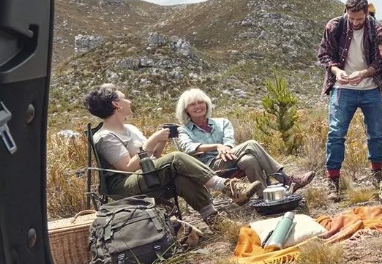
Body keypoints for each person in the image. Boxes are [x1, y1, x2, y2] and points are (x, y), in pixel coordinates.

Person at [84, 84, 262, 225]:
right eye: (124, 98)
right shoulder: (105, 137)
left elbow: (153, 158)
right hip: (124, 185)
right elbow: (128, 167)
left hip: (146, 175)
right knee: (176, 157)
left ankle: (213, 219)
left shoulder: (131, 129)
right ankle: (227, 187)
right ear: (116, 105)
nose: (129, 101)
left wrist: (161, 141)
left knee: (181, 177)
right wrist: (152, 140)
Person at [174, 88, 315, 192]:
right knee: (251, 144)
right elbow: (188, 148)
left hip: (230, 158)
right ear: (186, 110)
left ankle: (264, 196)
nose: (198, 106)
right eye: (192, 104)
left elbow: (229, 141)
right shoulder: (183, 130)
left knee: (249, 159)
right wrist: (216, 146)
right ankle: (286, 179)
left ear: (206, 104)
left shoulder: (222, 122)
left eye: (200, 102)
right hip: (209, 168)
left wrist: (225, 148)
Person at [317, 0, 382, 193]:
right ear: (345, 12)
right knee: (336, 134)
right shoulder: (334, 26)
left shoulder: (377, 29)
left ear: (367, 14)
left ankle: (377, 174)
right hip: (342, 87)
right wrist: (336, 71)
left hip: (370, 87)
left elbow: (381, 60)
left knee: (376, 134)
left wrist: (365, 73)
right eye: (351, 18)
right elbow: (324, 55)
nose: (355, 22)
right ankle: (333, 180)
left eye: (360, 19)